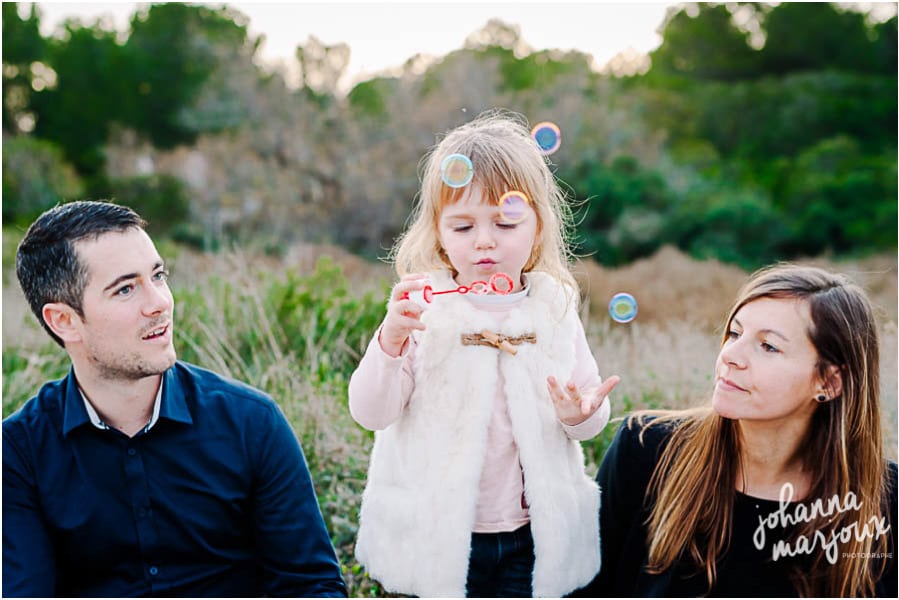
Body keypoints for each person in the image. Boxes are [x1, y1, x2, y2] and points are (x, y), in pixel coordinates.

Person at [3, 201, 347, 597]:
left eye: (158, 275)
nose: (161, 303)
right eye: (126, 289)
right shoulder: (17, 454)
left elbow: (311, 585)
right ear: (64, 321)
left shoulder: (252, 423)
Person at [348, 110, 620, 598]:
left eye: (505, 221)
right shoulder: (423, 309)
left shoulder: (553, 308)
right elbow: (371, 412)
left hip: (532, 537)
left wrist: (581, 414)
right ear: (438, 233)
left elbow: (587, 412)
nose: (485, 241)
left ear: (538, 225)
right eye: (463, 226)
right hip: (441, 537)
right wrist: (389, 343)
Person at [577, 264, 897, 597]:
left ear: (829, 382)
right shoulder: (646, 449)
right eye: (734, 333)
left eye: (768, 346)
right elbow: (580, 587)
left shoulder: (887, 503)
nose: (730, 355)